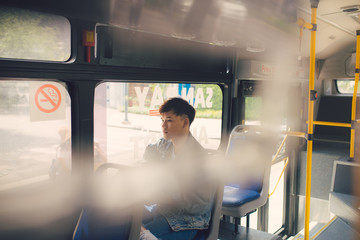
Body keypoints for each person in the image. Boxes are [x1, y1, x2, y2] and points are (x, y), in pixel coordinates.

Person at [139, 97, 215, 240]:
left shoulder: (199, 158)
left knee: (133, 233)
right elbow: (148, 156)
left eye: (169, 120)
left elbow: (193, 204)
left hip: (187, 220)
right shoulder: (164, 145)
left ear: (185, 122)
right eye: (162, 120)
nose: (163, 126)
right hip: (162, 209)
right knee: (121, 217)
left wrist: (158, 194)